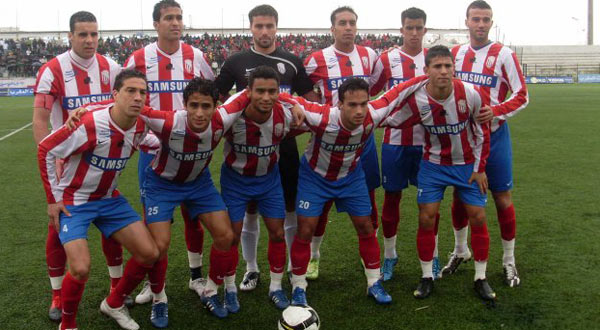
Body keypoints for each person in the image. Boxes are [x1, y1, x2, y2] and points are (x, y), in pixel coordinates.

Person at [287, 76, 428, 307]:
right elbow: (281, 97)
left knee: (366, 226)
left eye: (364, 103)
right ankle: (298, 285)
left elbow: (400, 91)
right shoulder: (320, 116)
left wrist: (428, 77)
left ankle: (374, 282)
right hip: (315, 177)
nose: (360, 110)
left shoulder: (374, 113)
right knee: (305, 229)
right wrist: (291, 103)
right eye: (352, 104)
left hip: (350, 177)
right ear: (339, 104)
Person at [38, 69, 160, 330]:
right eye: (130, 91)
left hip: (109, 199)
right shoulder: (88, 124)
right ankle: (68, 324)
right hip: (75, 201)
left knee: (149, 253)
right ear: (115, 94)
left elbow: (155, 140)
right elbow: (46, 148)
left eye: (142, 92)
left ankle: (114, 303)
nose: (138, 97)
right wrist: (53, 198)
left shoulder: (141, 126)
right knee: (80, 268)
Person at [377, 45, 494, 301]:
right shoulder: (418, 99)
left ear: (454, 68)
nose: (443, 71)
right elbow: (395, 118)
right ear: (426, 70)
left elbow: (482, 132)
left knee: (478, 216)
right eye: (437, 66)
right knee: (426, 217)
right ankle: (427, 276)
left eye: (448, 66)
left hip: (466, 166)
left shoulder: (470, 93)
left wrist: (479, 168)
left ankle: (481, 277)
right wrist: (365, 119)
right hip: (432, 165)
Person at [32, 10, 127, 322]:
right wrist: (50, 159)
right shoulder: (53, 69)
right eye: (83, 34)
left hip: (105, 162)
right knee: (57, 225)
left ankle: (117, 287)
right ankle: (57, 292)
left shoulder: (112, 67)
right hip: (67, 165)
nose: (90, 40)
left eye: (94, 34)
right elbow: (41, 120)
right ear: (69, 36)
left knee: (111, 223)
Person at [215, 4, 317, 291]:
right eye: (258, 26)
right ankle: (251, 268)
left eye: (269, 25)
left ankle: (286, 266)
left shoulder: (292, 60)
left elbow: (310, 98)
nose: (264, 31)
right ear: (251, 28)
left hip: (282, 145)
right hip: (246, 149)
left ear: (276, 27)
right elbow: (216, 98)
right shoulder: (236, 62)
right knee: (249, 209)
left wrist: (297, 104)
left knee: (288, 207)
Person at [124, 0, 216, 303]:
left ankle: (195, 275)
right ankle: (153, 283)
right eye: (168, 18)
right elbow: (126, 104)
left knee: (193, 216)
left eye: (179, 17)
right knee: (156, 222)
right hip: (153, 153)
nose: (175, 23)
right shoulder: (138, 58)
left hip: (191, 152)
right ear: (156, 24)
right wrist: (142, 140)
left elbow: (213, 95)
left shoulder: (197, 56)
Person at [444, 0, 529, 288]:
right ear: (466, 22)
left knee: (501, 197)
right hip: (463, 137)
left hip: (494, 136)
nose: (481, 24)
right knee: (459, 194)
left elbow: (522, 95)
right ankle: (460, 250)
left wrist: (496, 110)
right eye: (476, 19)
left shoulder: (503, 54)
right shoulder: (455, 54)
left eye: (486, 19)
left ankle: (508, 261)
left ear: (491, 23)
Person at [302, 6, 381, 280]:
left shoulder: (370, 56)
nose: (348, 27)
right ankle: (313, 257)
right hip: (326, 142)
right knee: (321, 204)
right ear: (332, 28)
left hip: (362, 141)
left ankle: (369, 256)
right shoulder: (315, 60)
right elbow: (305, 89)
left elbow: (378, 85)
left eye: (352, 23)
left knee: (368, 197)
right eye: (342, 23)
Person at [219, 66, 306, 311]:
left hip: (269, 180)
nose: (266, 97)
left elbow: (319, 118)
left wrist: (293, 102)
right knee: (231, 236)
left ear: (279, 92)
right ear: (248, 92)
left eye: (272, 91)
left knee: (277, 232)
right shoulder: (231, 117)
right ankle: (231, 287)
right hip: (235, 181)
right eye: (260, 91)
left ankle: (276, 287)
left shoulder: (286, 115)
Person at [369, 7, 442, 282]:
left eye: (419, 28)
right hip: (395, 142)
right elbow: (372, 93)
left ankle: (433, 255)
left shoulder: (435, 58)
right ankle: (390, 256)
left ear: (425, 29)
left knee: (430, 204)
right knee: (392, 198)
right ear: (401, 29)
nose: (414, 33)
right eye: (409, 28)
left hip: (430, 143)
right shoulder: (387, 59)